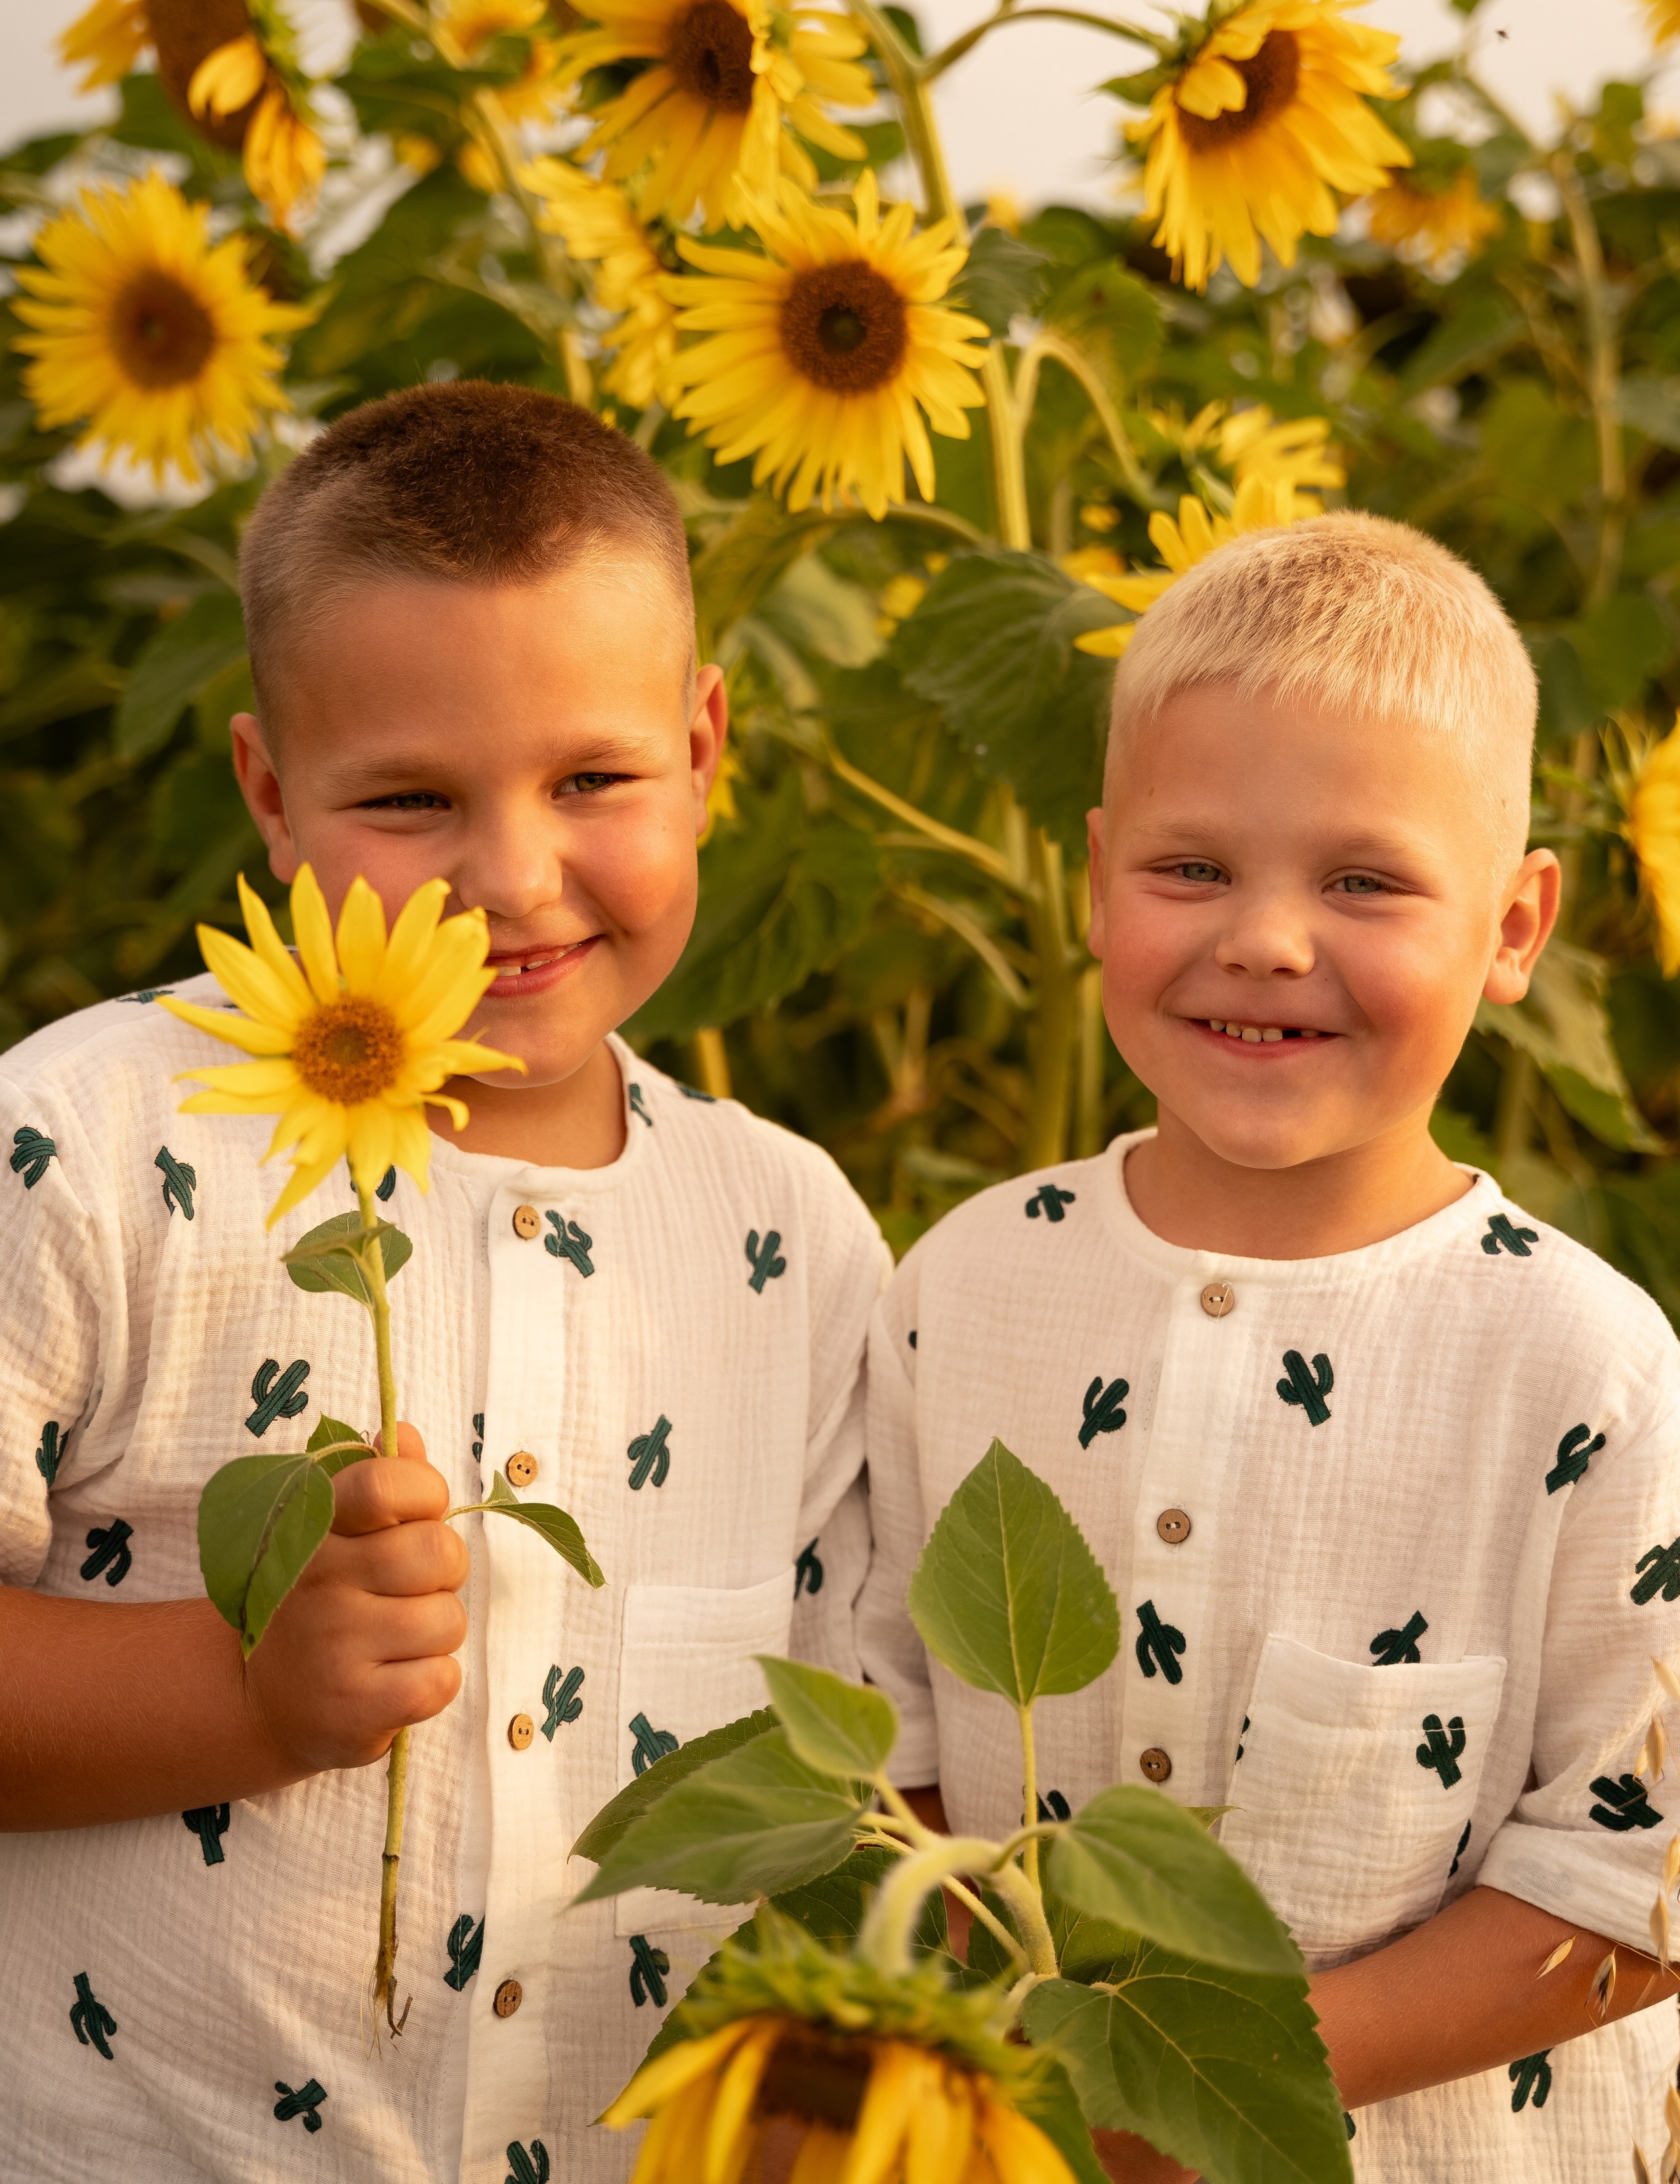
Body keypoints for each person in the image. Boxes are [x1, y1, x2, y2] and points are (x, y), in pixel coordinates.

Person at [0, 383, 890, 2182]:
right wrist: (240, 1696)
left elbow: (842, 1754)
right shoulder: (82, 1150)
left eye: (595, 780)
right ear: (268, 788)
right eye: (409, 797)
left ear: (707, 749)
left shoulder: (789, 1236)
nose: (512, 875)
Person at [858, 512, 1680, 2181]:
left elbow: (1639, 1881)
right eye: (1190, 869)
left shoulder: (1577, 1366)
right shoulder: (962, 1293)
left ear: (1514, 929)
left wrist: (1198, 2083)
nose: (1264, 940)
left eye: (1362, 881)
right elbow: (895, 1749)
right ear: (1097, 880)